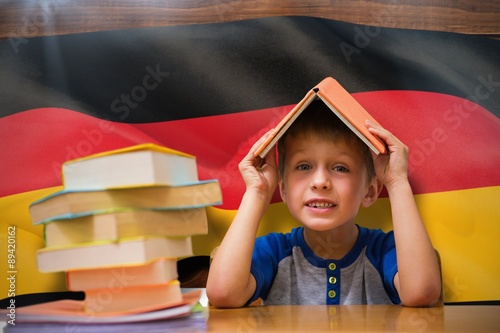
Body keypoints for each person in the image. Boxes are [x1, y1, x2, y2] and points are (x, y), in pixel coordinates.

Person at [206, 100, 442, 307]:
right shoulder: (274, 252)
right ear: (284, 189)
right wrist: (257, 193)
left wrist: (397, 182)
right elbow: (223, 295)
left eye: (340, 168)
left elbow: (421, 293)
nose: (320, 182)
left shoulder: (386, 250)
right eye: (304, 166)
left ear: (369, 191)